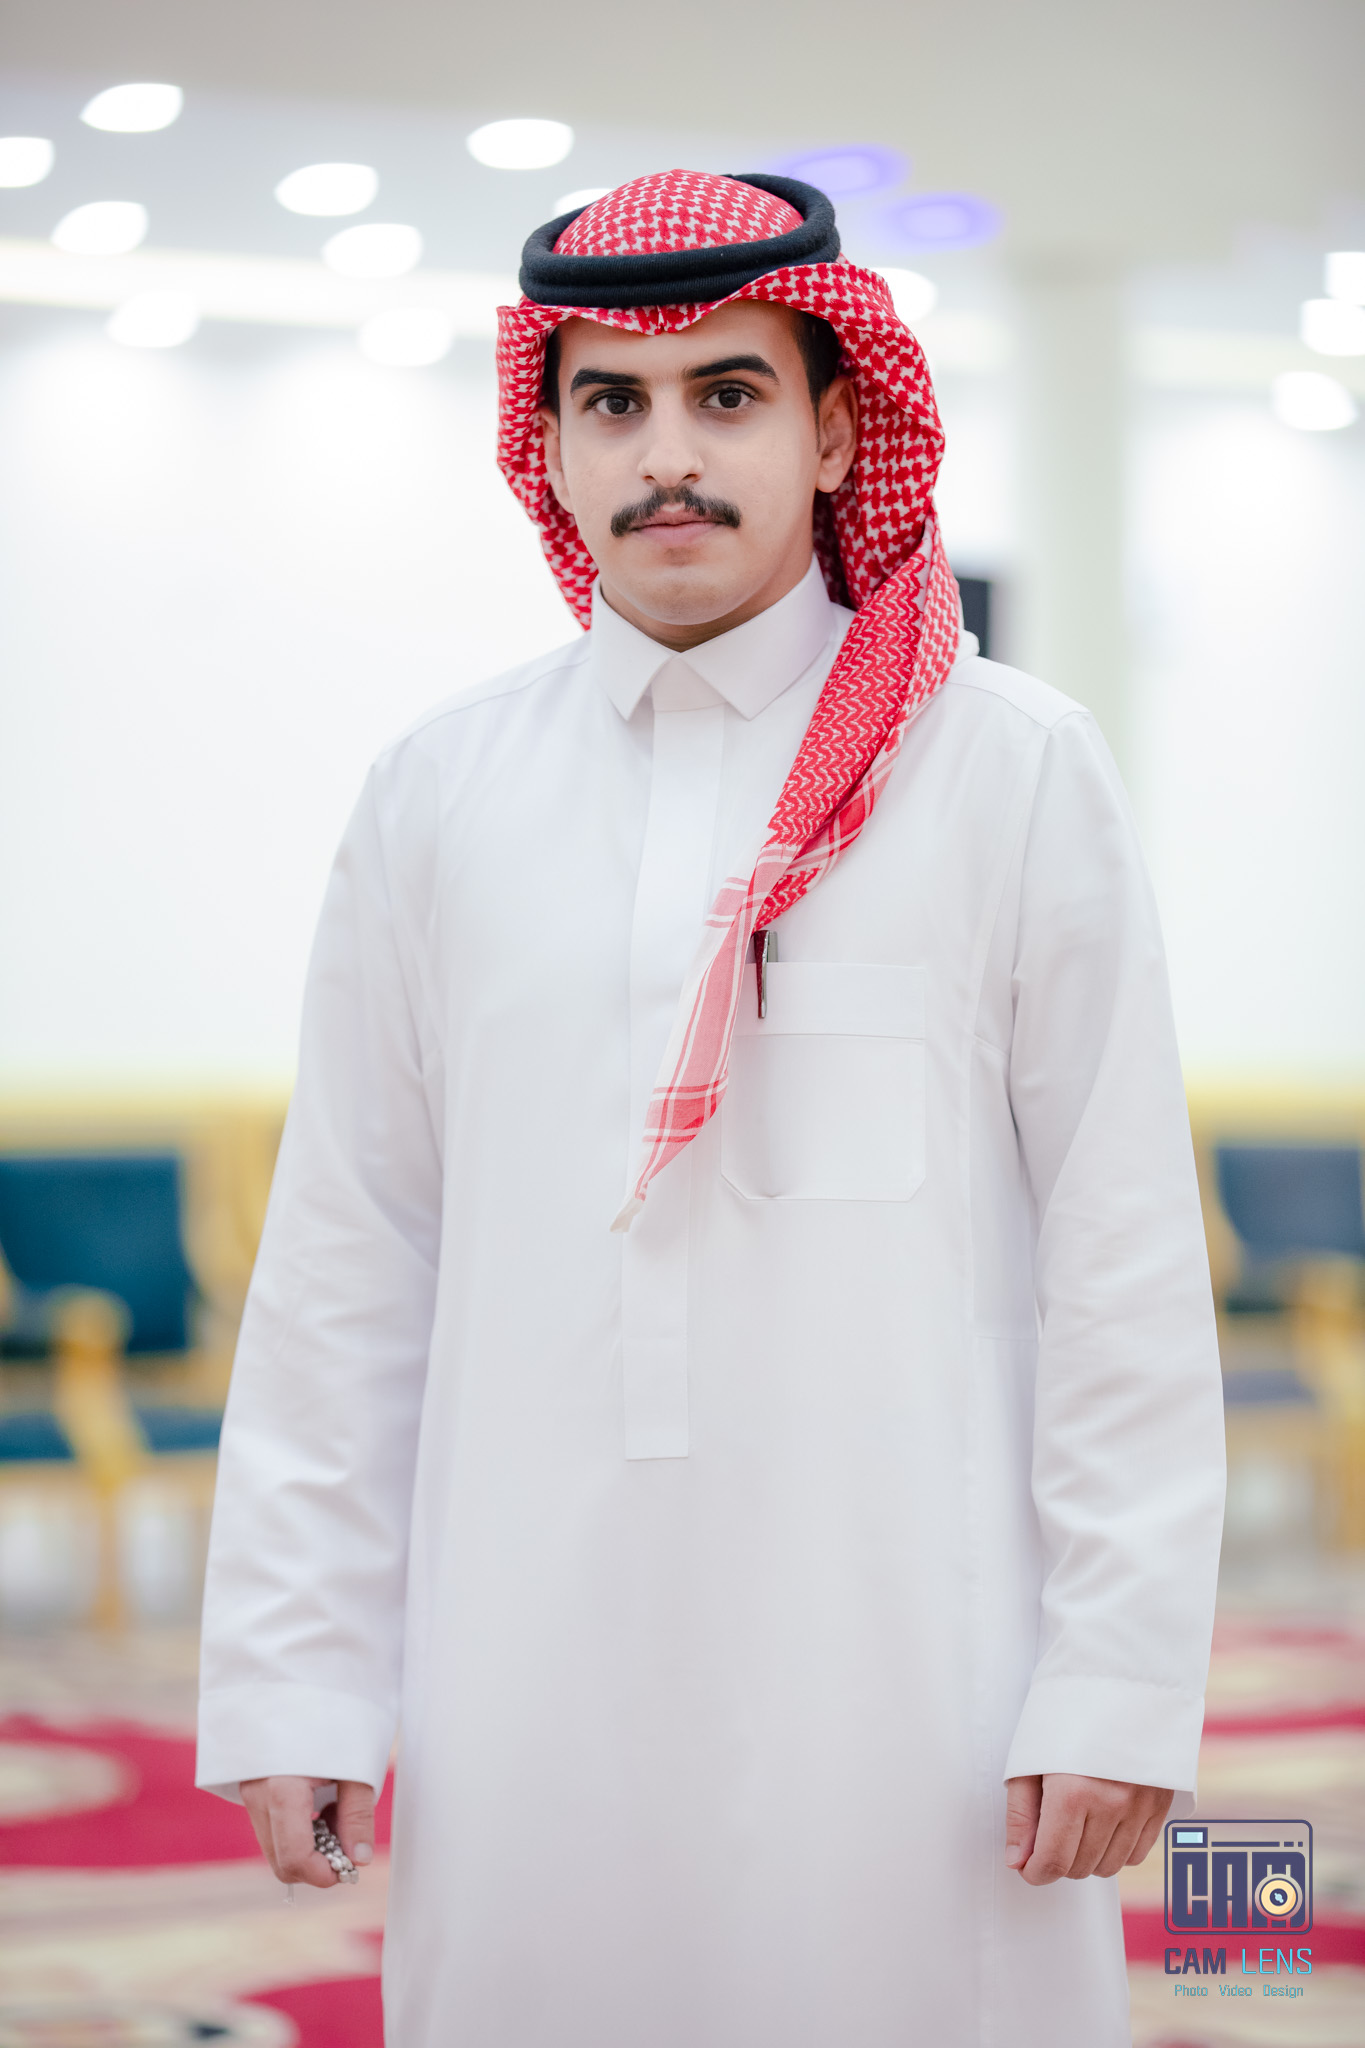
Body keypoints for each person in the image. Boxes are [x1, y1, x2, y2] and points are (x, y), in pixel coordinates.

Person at [197, 170, 1226, 2046]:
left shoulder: (1007, 769)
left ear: (834, 431)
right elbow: (350, 1259)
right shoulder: (439, 795)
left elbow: (1122, 1255)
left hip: (918, 1672)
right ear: (550, 444)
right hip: (520, 1663)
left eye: (727, 394)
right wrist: (297, 1676)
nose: (666, 454)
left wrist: (1118, 1676)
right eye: (614, 400)